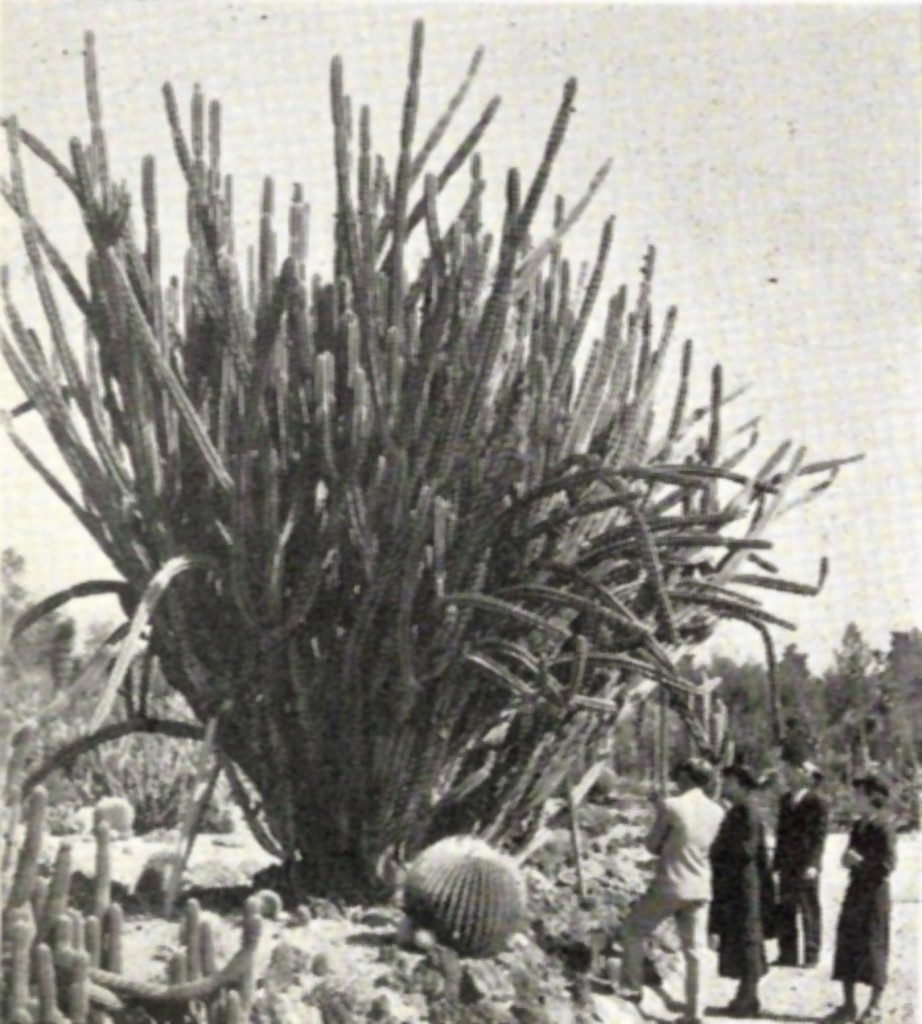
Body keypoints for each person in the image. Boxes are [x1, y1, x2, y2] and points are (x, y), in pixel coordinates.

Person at [618, 757, 725, 1024]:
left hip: (670, 884)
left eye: (679, 775)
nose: (675, 779)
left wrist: (659, 814)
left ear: (687, 777)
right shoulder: (716, 810)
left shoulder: (672, 805)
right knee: (695, 951)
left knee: (633, 930)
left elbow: (652, 845)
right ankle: (695, 1012)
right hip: (700, 886)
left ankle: (632, 988)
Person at [827, 772, 897, 1023]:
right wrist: (847, 859)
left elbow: (888, 865)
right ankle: (848, 1004)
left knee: (874, 945)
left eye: (859, 794)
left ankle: (875, 1006)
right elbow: (849, 854)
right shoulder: (858, 825)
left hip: (875, 894)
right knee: (847, 944)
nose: (854, 799)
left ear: (872, 797)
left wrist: (862, 862)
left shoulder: (884, 826)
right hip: (855, 890)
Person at [708, 763, 776, 1018]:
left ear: (740, 784)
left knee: (747, 938)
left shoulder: (746, 812)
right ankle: (746, 994)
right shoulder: (739, 811)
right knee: (739, 937)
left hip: (744, 886)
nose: (724, 786)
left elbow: (745, 851)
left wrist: (716, 852)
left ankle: (748, 996)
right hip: (736, 885)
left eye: (728, 782)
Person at [773, 756, 830, 967]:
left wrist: (814, 863)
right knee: (786, 907)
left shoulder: (818, 801)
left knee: (808, 907)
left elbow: (820, 836)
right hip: (787, 862)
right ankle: (787, 953)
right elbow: (781, 833)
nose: (790, 773)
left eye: (797, 770)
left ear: (807, 776)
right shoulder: (785, 800)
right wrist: (776, 861)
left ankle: (811, 953)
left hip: (806, 862)